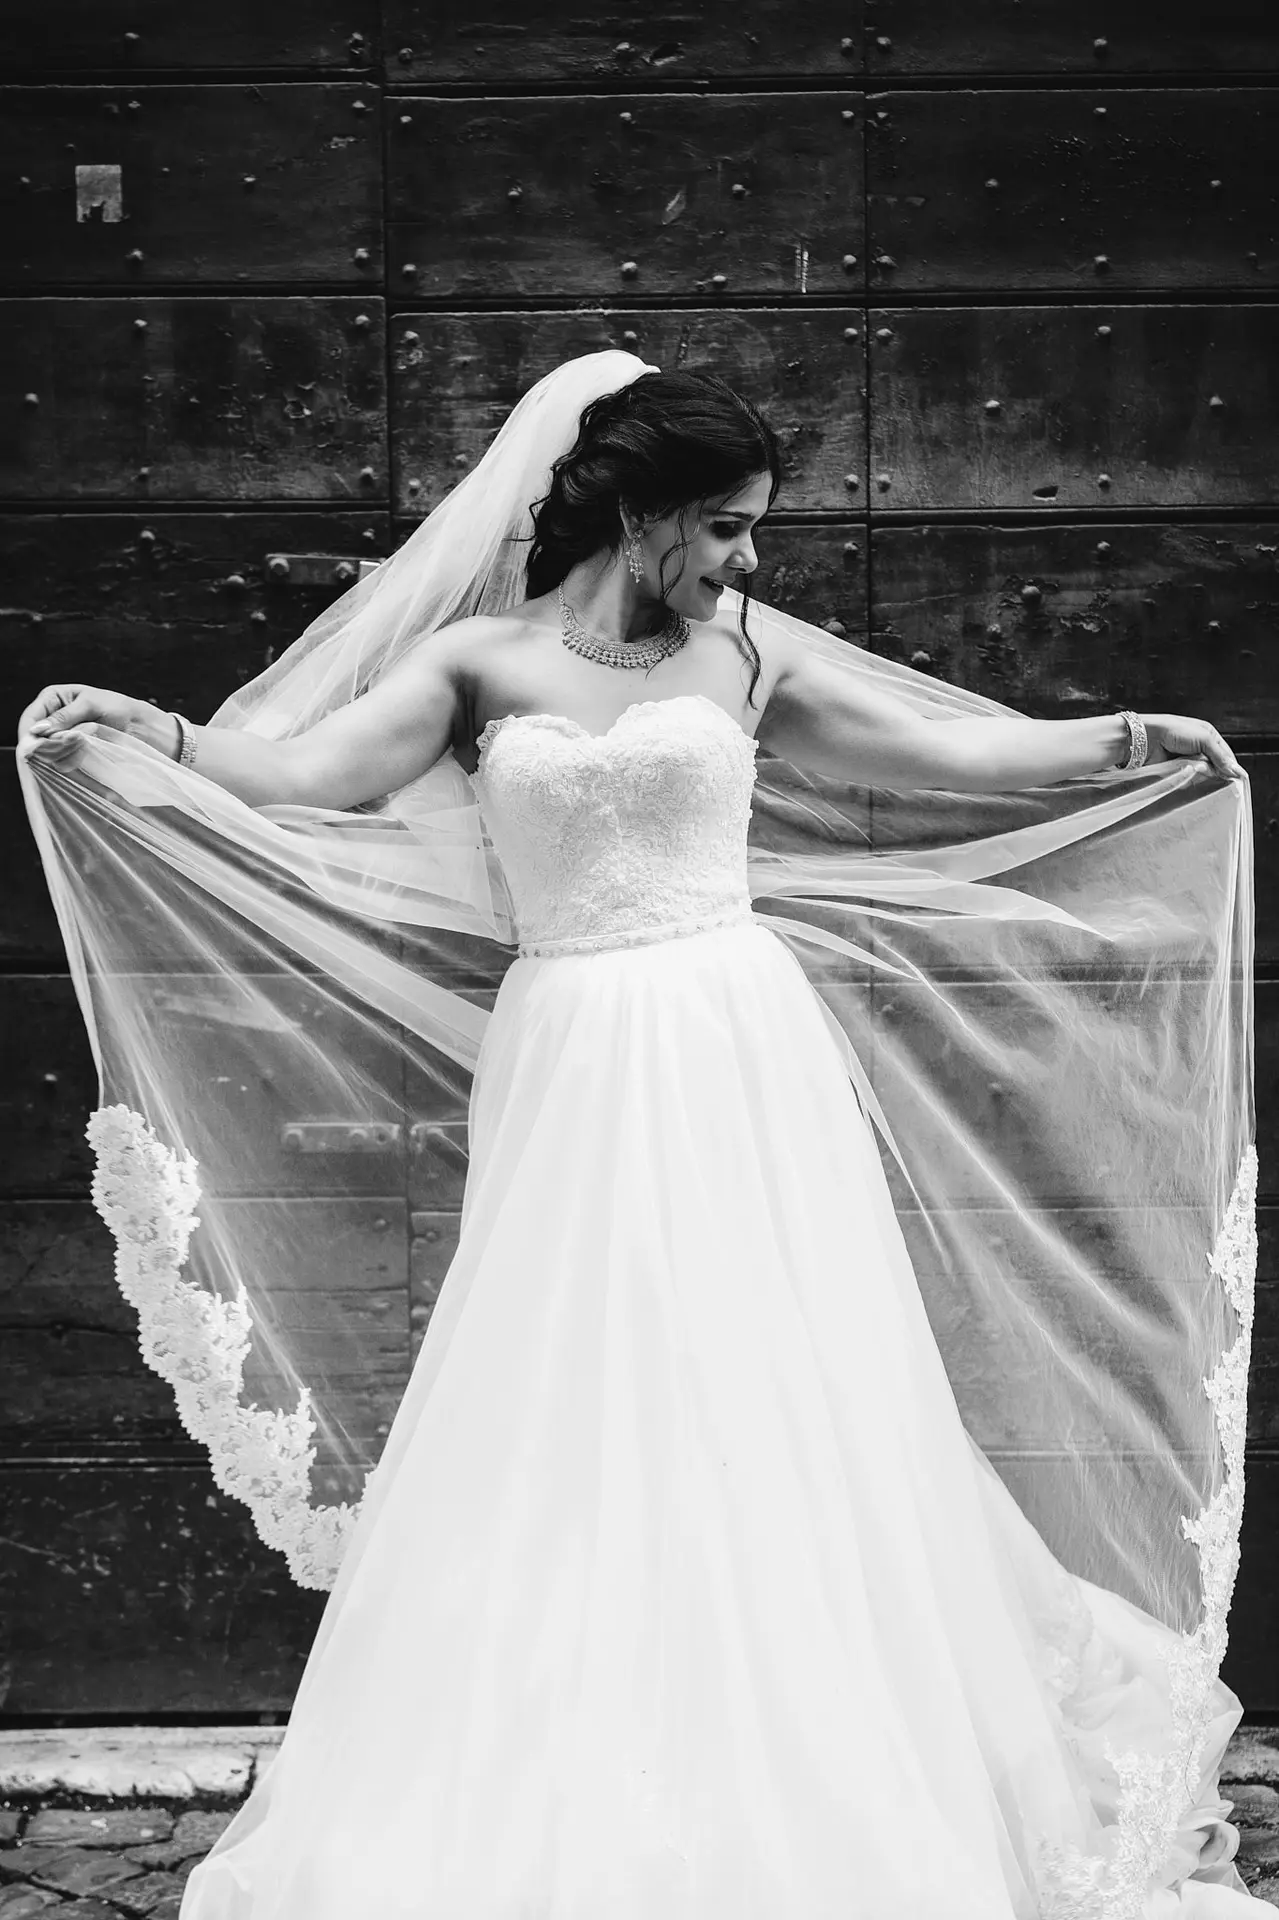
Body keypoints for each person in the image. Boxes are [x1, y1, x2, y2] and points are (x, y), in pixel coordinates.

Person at [17, 354, 1263, 1917]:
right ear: (647, 512)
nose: (749, 560)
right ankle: (586, 1751)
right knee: (581, 1385)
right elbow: (310, 776)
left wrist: (1128, 736)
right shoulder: (480, 664)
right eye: (729, 528)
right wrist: (158, 736)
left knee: (775, 1380)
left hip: (739, 1046)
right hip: (581, 1059)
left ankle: (817, 1746)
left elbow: (945, 756)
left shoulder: (740, 657)